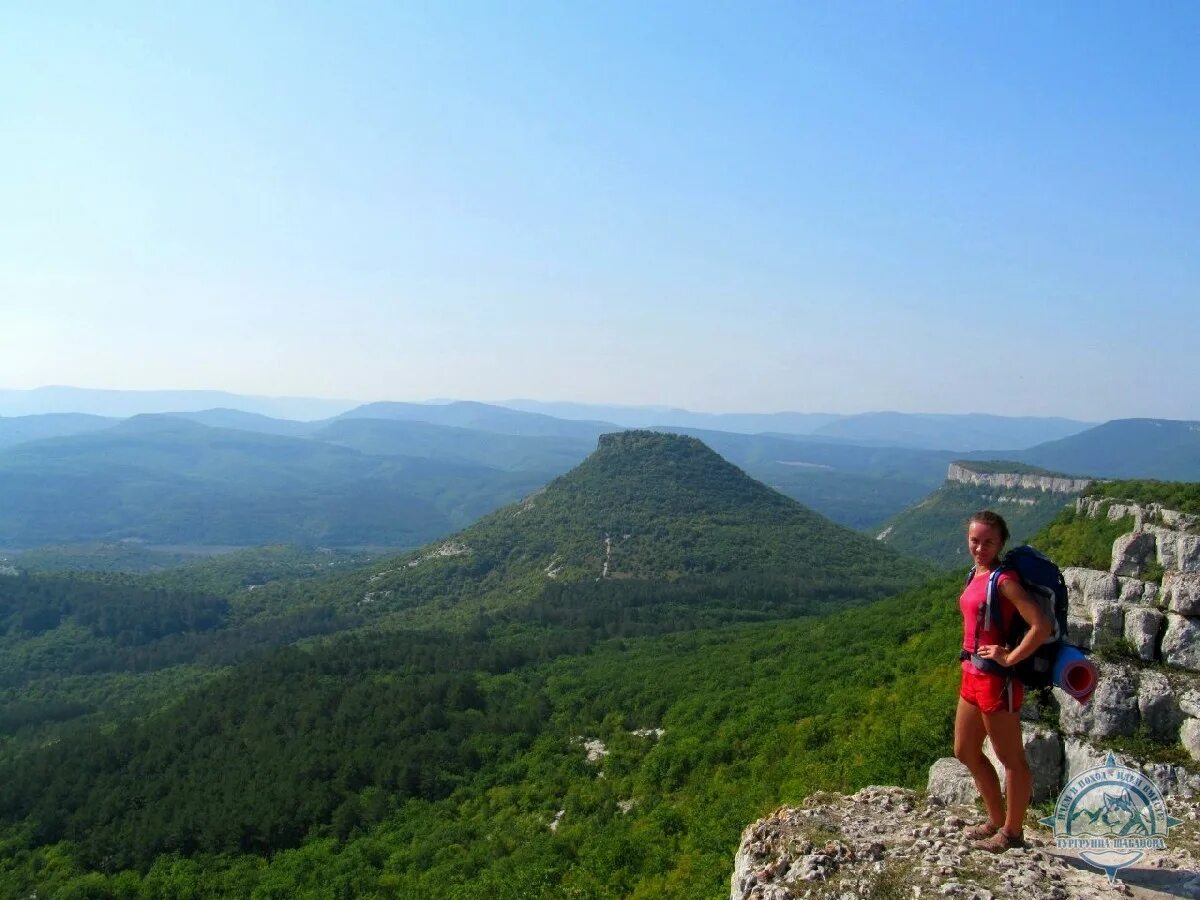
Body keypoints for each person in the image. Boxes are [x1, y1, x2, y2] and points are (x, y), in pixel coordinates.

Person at [954, 510, 1052, 852]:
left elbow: (1041, 626)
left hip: (997, 680)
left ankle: (1012, 832)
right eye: (975, 540)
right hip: (971, 672)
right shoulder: (976, 573)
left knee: (1011, 759)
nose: (980, 548)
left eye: (988, 542)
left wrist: (1010, 657)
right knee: (965, 750)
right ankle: (995, 819)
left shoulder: (1004, 580)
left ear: (1000, 543)